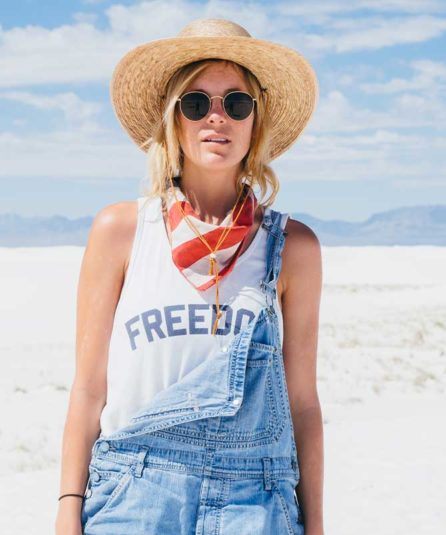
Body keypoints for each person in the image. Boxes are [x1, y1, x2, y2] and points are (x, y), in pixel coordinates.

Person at [55, 18, 324, 535]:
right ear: (174, 120)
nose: (216, 118)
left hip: (257, 502)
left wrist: (315, 526)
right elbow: (90, 389)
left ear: (255, 120)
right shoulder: (122, 231)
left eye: (236, 104)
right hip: (135, 492)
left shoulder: (293, 248)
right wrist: (68, 510)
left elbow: (303, 403)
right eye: (196, 103)